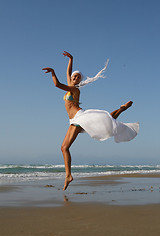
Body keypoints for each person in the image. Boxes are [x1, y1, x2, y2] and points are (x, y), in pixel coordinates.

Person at [42, 51, 139, 190]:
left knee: (64, 147)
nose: (75, 78)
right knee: (104, 120)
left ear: (80, 81)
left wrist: (52, 72)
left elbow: (57, 84)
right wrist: (71, 59)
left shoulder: (75, 90)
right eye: (74, 76)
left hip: (78, 118)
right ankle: (122, 108)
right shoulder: (71, 85)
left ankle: (68, 175)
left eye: (77, 77)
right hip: (73, 120)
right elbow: (68, 72)